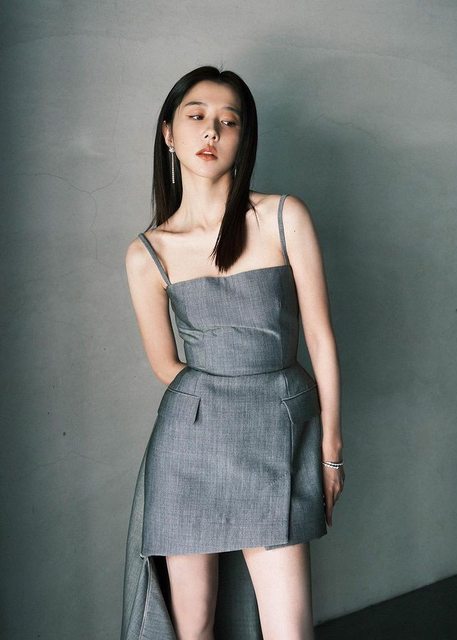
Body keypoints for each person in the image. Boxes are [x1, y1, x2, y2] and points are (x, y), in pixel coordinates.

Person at [120, 65, 344, 640]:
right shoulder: (148, 253)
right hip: (189, 447)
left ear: (244, 138)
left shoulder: (283, 216)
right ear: (169, 133)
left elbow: (320, 337)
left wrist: (331, 449)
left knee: (289, 629)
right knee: (193, 628)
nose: (211, 131)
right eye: (196, 116)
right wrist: (219, 396)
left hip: (278, 432)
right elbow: (166, 365)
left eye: (229, 121)